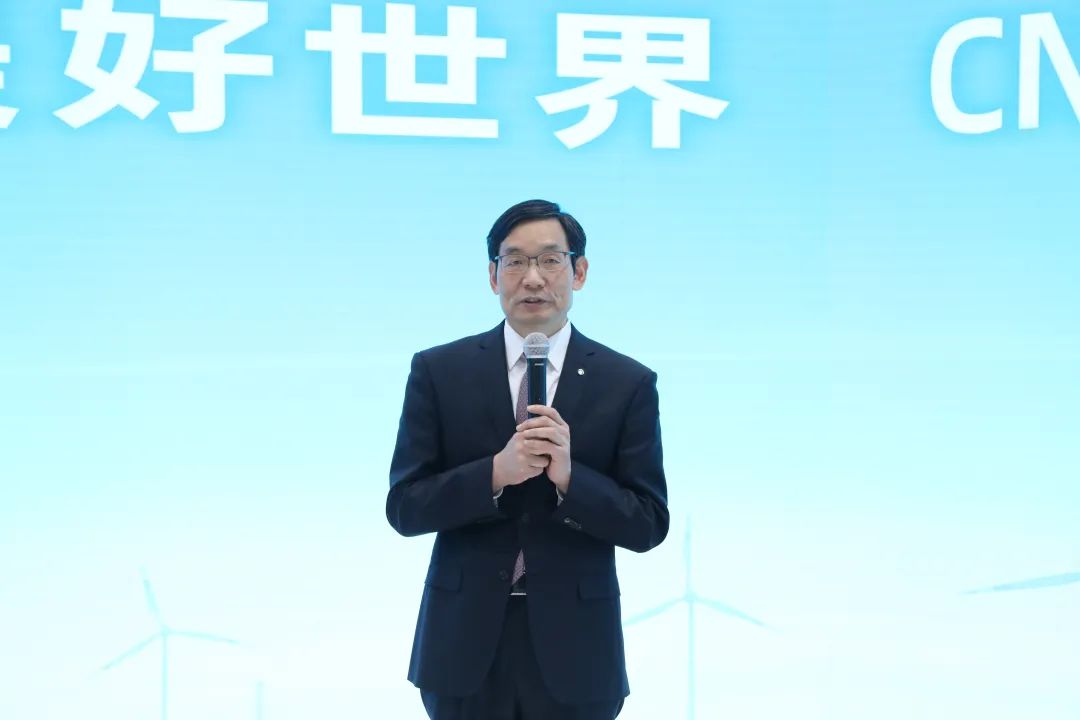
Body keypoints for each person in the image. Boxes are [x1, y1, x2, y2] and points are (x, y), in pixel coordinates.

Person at [386, 199, 670, 720]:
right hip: (463, 647)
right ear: (493, 275)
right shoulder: (439, 371)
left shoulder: (626, 383)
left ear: (579, 272)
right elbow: (405, 507)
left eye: (550, 260)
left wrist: (570, 480)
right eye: (514, 261)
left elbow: (648, 524)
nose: (532, 278)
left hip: (578, 652)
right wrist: (495, 473)